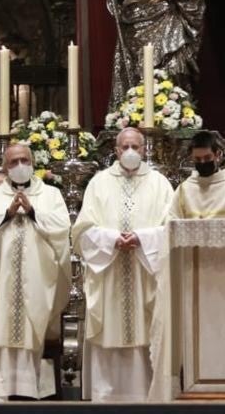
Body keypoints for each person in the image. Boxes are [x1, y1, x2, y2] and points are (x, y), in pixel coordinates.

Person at [71, 127, 174, 402]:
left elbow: (173, 228)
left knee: (146, 327)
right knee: (109, 326)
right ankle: (106, 397)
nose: (130, 151)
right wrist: (111, 239)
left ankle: (146, 396)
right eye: (124, 146)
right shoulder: (99, 183)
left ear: (144, 150)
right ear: (116, 151)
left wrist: (143, 238)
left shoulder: (160, 184)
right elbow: (81, 230)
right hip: (110, 274)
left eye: (136, 146)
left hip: (144, 273)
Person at [0, 143, 71, 401]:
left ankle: (29, 393)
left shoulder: (50, 194)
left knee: (29, 333)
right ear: (5, 166)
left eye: (24, 160)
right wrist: (6, 213)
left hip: (35, 279)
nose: (20, 165)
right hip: (0, 282)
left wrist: (33, 211)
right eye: (13, 162)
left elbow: (62, 227)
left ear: (33, 163)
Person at [172, 131, 225, 219]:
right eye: (198, 159)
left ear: (217, 155)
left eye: (207, 158)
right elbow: (172, 222)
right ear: (191, 157)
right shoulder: (184, 189)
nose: (202, 162)